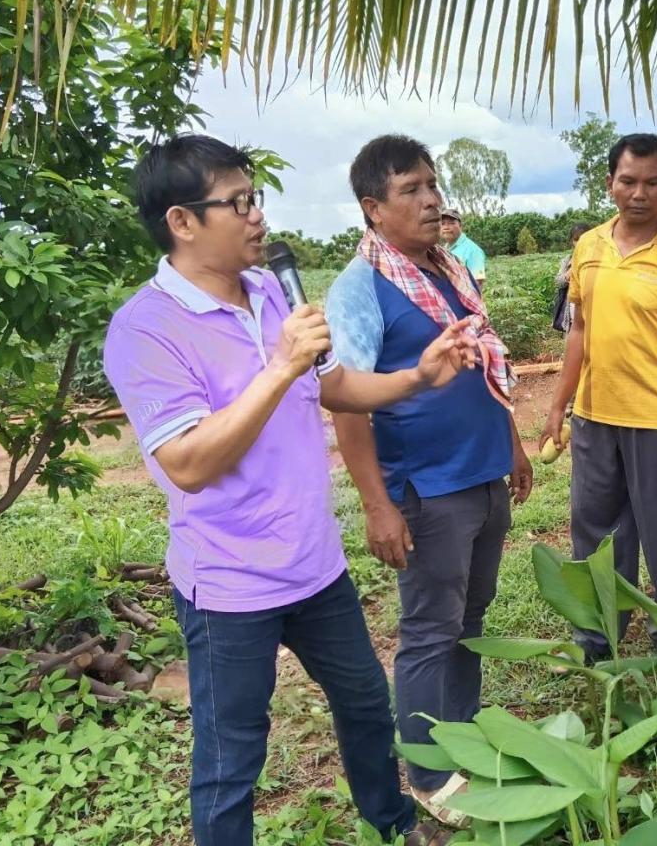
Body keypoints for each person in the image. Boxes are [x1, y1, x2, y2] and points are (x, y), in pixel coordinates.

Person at [103, 135, 465, 846]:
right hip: (231, 583)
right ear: (182, 221)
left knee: (365, 706)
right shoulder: (144, 329)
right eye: (237, 202)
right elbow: (187, 462)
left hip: (314, 565)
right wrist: (277, 366)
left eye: (254, 197)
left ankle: (394, 827)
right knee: (232, 754)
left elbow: (329, 384)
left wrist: (415, 377)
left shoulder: (269, 290)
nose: (256, 216)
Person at [325, 135, 533, 828]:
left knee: (470, 619)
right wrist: (379, 506)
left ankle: (462, 734)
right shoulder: (360, 290)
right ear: (373, 208)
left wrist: (513, 446)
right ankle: (428, 771)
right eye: (411, 189)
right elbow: (348, 403)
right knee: (428, 631)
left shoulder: (448, 270)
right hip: (427, 488)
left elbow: (482, 366)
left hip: (482, 474)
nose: (431, 199)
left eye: (432, 184)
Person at [541, 133, 657, 663]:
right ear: (609, 183)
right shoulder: (588, 247)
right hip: (594, 419)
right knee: (596, 534)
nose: (639, 193)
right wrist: (558, 402)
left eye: (652, 182)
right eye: (628, 181)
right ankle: (599, 636)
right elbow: (579, 331)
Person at [553, 222, 592, 334]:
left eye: (584, 238)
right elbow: (558, 282)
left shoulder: (600, 258)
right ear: (572, 241)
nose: (580, 242)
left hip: (595, 315)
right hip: (571, 316)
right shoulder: (568, 260)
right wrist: (569, 273)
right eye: (576, 239)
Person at [439, 207, 487, 284]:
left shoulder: (473, 251)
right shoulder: (444, 248)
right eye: (442, 224)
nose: (446, 227)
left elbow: (477, 284)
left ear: (460, 226)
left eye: (451, 223)